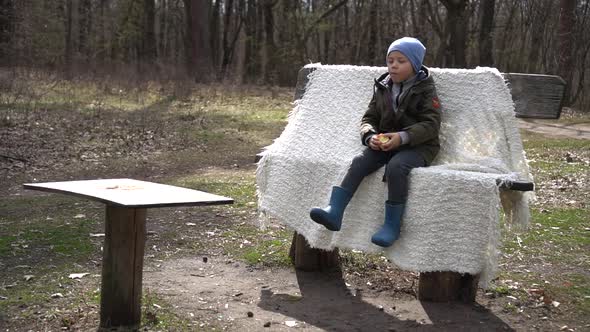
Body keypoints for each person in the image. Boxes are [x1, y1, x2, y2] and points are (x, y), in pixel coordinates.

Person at [309, 37, 442, 247]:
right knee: (360, 161)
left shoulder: (425, 89)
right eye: (390, 60)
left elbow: (431, 124)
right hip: (386, 142)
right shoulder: (382, 86)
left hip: (418, 146)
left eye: (401, 61)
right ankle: (334, 211)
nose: (394, 65)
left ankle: (391, 225)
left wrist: (402, 137)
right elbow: (368, 118)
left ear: (415, 65)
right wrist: (370, 136)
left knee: (397, 167)